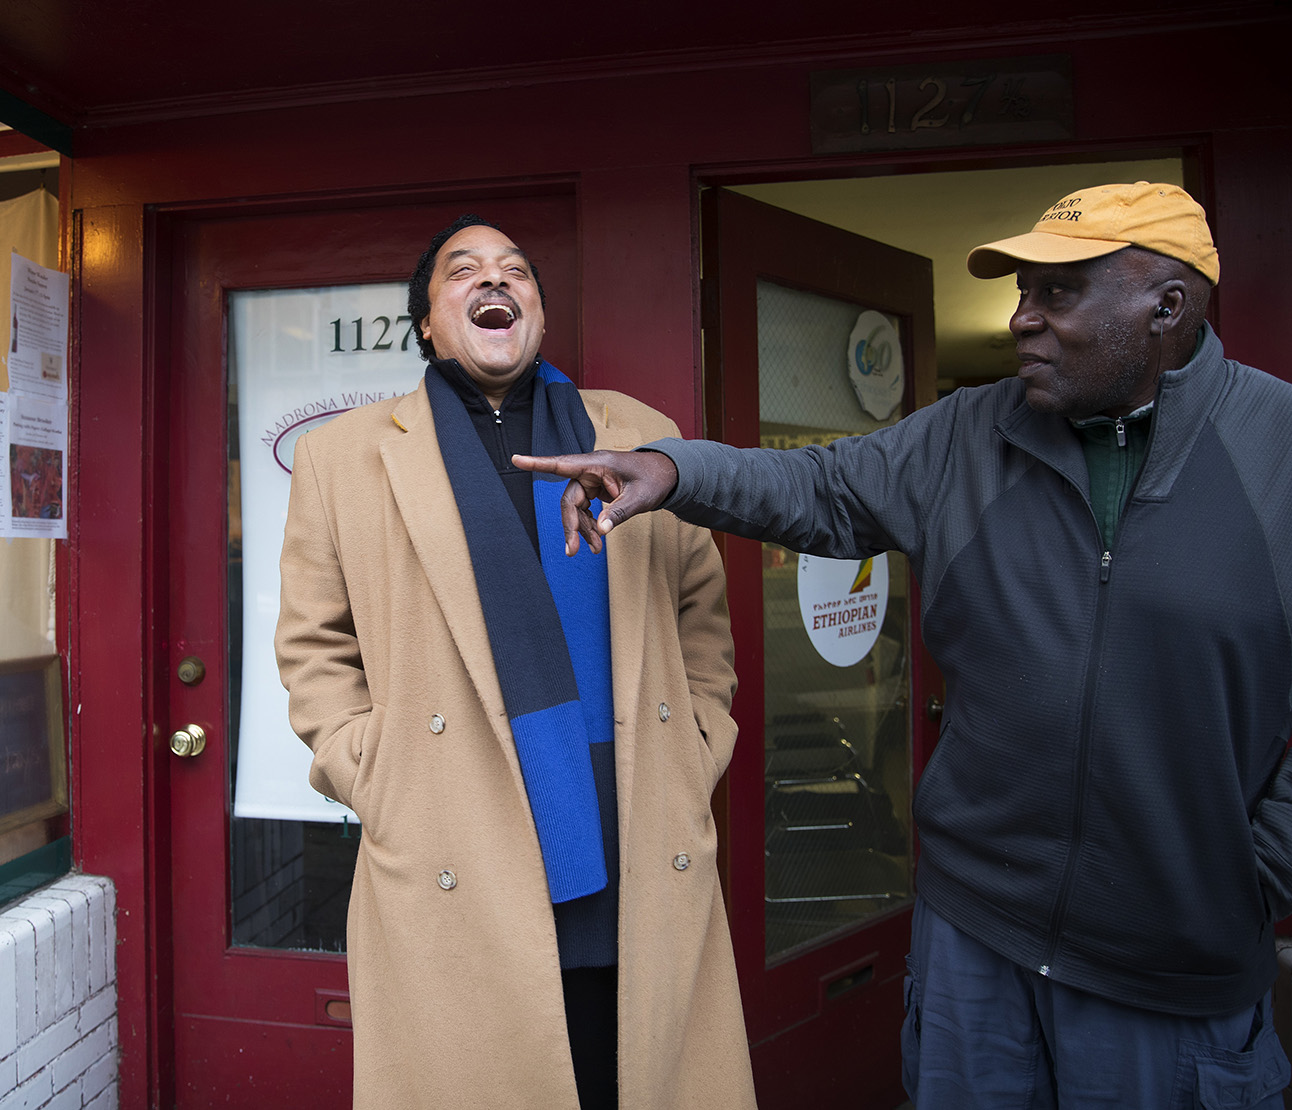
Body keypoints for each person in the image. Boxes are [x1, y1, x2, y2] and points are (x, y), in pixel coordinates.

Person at [515, 182, 1292, 1109]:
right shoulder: (973, 430)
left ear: (1166, 308)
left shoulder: (1276, 450)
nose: (1022, 320)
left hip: (1170, 970)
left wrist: (1248, 878)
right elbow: (824, 488)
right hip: (976, 943)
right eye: (1021, 293)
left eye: (1057, 294)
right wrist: (673, 468)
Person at [275, 215, 757, 1109]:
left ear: (534, 310)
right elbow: (314, 646)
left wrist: (696, 744)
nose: (494, 281)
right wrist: (374, 771)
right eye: (463, 270)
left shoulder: (641, 435)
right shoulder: (341, 457)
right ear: (427, 320)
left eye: (516, 272)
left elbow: (701, 612)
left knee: (634, 1070)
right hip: (450, 828)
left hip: (633, 818)